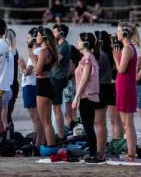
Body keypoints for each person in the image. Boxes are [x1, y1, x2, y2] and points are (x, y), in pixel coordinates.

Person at [73, 32, 103, 162]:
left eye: (79, 41)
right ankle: (93, 152)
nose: (77, 42)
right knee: (89, 126)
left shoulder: (87, 59)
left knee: (88, 127)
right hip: (90, 96)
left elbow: (84, 79)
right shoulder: (90, 57)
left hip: (87, 96)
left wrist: (76, 97)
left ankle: (92, 154)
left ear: (85, 43)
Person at [112, 23, 139, 160]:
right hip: (124, 86)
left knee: (128, 124)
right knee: (126, 123)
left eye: (118, 31)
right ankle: (130, 151)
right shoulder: (128, 48)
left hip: (126, 87)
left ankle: (131, 153)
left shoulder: (128, 48)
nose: (116, 34)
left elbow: (122, 69)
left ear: (124, 34)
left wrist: (116, 59)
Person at [33, 27, 58, 148]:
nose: (35, 37)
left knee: (45, 121)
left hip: (42, 85)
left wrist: (34, 60)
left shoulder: (43, 51)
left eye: (37, 35)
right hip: (49, 83)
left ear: (43, 37)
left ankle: (50, 147)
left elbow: (37, 71)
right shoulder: (50, 50)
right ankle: (51, 145)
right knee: (47, 121)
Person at [20, 28, 43, 147]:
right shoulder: (38, 51)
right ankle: (39, 141)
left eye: (28, 37)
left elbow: (27, 71)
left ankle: (38, 143)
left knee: (35, 118)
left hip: (30, 86)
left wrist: (21, 66)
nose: (26, 40)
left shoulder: (36, 51)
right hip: (32, 85)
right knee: (37, 117)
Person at [96, 30, 119, 145]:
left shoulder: (101, 55)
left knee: (106, 120)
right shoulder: (112, 53)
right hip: (112, 86)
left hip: (108, 86)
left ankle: (114, 144)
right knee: (115, 121)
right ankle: (116, 143)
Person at [50, 23, 72, 139]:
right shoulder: (60, 45)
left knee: (57, 108)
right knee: (55, 107)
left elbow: (56, 60)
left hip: (58, 79)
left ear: (61, 33)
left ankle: (61, 134)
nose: (53, 35)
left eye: (55, 32)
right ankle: (59, 132)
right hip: (56, 78)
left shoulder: (63, 46)